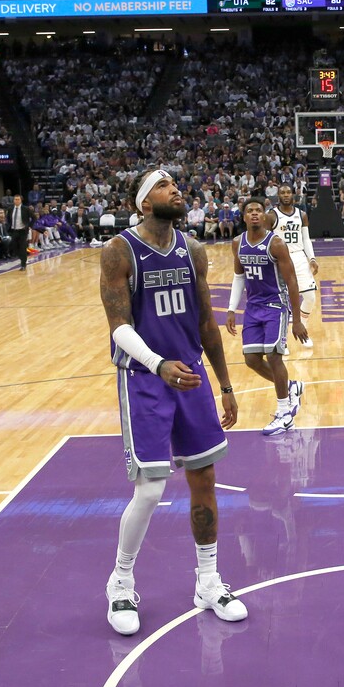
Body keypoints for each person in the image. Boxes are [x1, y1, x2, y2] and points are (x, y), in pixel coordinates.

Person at [99, 168, 247, 636]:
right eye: (163, 186)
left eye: (175, 184)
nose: (175, 190)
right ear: (145, 203)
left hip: (191, 376)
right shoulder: (120, 250)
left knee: (204, 478)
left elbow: (205, 322)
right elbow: (119, 327)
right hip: (145, 377)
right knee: (150, 489)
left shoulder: (192, 250)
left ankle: (208, 581)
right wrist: (158, 363)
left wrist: (224, 384)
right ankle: (121, 581)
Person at [226, 196, 309, 435]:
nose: (254, 213)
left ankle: (284, 414)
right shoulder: (237, 243)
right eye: (250, 210)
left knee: (274, 356)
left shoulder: (276, 244)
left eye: (258, 210)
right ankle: (291, 387)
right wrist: (231, 309)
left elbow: (292, 281)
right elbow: (239, 277)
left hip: (275, 305)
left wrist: (296, 320)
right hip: (253, 308)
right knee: (251, 359)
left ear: (264, 216)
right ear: (243, 216)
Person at [270, 185, 319, 349]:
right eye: (282, 192)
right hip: (280, 259)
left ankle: (301, 328)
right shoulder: (272, 216)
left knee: (310, 297)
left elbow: (306, 239)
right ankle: (282, 341)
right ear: (278, 195)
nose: (285, 195)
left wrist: (312, 258)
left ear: (293, 194)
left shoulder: (302, 214)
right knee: (282, 301)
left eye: (288, 192)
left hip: (299, 257)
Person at [6, 193, 36, 270]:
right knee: (14, 247)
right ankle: (23, 258)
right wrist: (9, 227)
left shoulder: (25, 209)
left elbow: (34, 217)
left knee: (22, 247)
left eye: (18, 199)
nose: (16, 201)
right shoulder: (10, 209)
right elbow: (8, 219)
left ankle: (23, 264)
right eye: (15, 199)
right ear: (13, 200)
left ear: (21, 200)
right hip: (14, 230)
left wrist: (29, 226)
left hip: (23, 231)